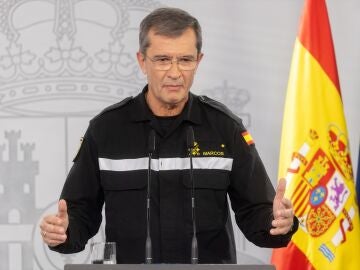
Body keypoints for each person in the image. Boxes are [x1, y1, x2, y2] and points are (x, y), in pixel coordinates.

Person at [39, 7, 298, 264]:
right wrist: (64, 232)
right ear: (142, 61)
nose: (175, 72)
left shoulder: (225, 128)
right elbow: (80, 213)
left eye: (185, 60)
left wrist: (277, 223)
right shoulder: (106, 129)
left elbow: (257, 214)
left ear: (199, 61)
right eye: (162, 59)